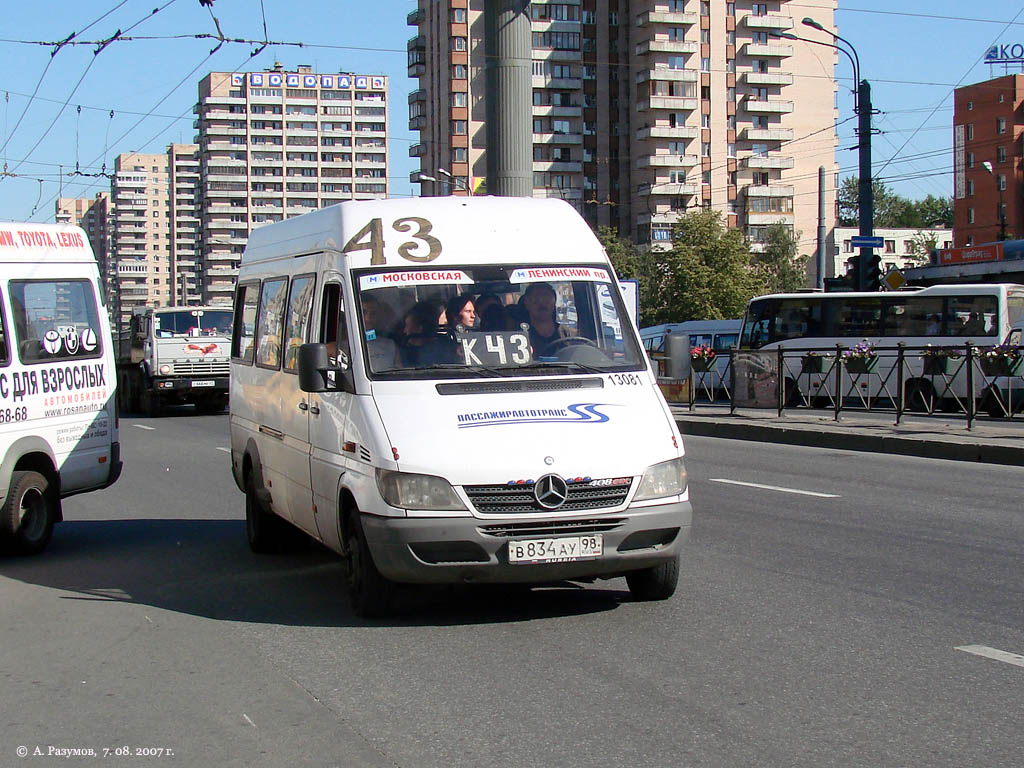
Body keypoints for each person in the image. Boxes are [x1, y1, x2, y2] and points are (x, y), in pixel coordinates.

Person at [521, 281, 573, 354]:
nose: (542, 303)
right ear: (527, 303)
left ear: (554, 301)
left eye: (546, 299)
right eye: (536, 299)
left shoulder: (567, 334)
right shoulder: (520, 337)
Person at [360, 293, 399, 372]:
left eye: (373, 313)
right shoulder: (342, 345)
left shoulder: (390, 344)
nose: (368, 319)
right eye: (363, 312)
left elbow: (400, 371)